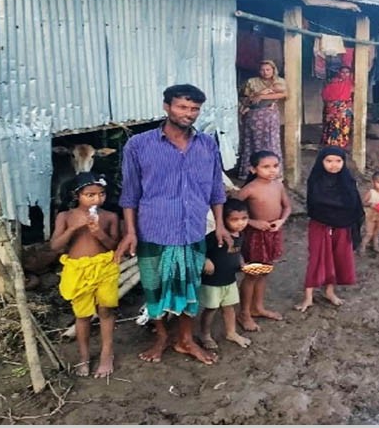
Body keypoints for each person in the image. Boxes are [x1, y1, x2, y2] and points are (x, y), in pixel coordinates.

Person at [114, 84, 232, 366]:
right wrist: (130, 231)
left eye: (194, 109)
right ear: (166, 107)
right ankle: (161, 336)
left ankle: (185, 340)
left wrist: (221, 224)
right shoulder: (139, 145)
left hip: (192, 231)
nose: (189, 113)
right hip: (154, 230)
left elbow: (216, 189)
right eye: (182, 107)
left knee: (190, 287)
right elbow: (129, 193)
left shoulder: (207, 145)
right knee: (154, 289)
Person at [50, 172, 121, 378]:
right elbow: (55, 246)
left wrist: (99, 233)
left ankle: (107, 354)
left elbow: (115, 246)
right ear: (77, 195)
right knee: (82, 315)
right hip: (77, 270)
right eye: (90, 195)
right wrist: (73, 228)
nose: (96, 199)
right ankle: (84, 357)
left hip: (104, 267)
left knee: (106, 311)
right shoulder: (65, 217)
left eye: (101, 194)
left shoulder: (109, 217)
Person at [295, 146, 364, 312]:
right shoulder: (316, 180)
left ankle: (329, 291)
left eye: (338, 161)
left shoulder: (347, 181)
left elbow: (355, 204)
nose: (334, 165)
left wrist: (344, 216)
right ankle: (308, 297)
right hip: (320, 225)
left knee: (337, 258)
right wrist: (337, 210)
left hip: (343, 226)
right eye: (329, 161)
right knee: (317, 259)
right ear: (321, 162)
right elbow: (315, 204)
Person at [234, 150, 291, 331]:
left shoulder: (278, 186)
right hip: (255, 236)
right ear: (253, 169)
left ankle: (257, 307)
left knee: (265, 271)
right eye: (266, 167)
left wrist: (281, 221)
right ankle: (244, 313)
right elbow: (232, 211)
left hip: (273, 234)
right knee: (252, 274)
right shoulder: (249, 189)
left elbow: (287, 206)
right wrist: (252, 222)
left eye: (275, 166)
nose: (272, 170)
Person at [198, 198, 252, 350]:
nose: (240, 223)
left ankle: (231, 332)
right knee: (211, 309)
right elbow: (198, 250)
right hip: (212, 282)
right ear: (222, 219)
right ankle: (205, 334)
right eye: (234, 220)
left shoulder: (240, 235)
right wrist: (206, 259)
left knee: (229, 307)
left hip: (230, 279)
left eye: (244, 218)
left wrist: (242, 264)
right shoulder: (214, 236)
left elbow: (237, 252)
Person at [238, 60, 287, 179]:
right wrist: (255, 96)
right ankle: (251, 172)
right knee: (253, 141)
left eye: (268, 70)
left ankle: (272, 171)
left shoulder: (279, 81)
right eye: (262, 70)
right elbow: (244, 98)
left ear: (273, 70)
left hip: (270, 115)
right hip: (254, 115)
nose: (265, 72)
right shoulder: (252, 81)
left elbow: (284, 94)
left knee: (270, 141)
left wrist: (261, 96)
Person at [321, 65, 355, 148]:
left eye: (347, 72)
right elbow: (325, 95)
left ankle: (342, 145)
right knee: (333, 126)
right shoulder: (333, 83)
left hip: (345, 109)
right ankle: (332, 145)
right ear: (339, 73)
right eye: (343, 72)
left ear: (350, 74)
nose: (344, 74)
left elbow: (353, 97)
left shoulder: (352, 84)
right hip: (333, 109)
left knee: (344, 127)